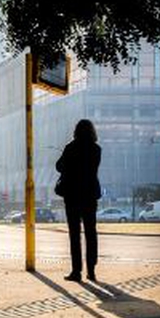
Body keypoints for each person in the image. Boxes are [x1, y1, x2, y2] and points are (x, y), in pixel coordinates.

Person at [56, 119, 102, 282]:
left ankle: (76, 271)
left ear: (76, 131)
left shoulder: (71, 147)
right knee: (91, 232)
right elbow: (93, 169)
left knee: (74, 234)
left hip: (73, 196)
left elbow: (59, 166)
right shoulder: (96, 149)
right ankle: (91, 270)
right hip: (89, 195)